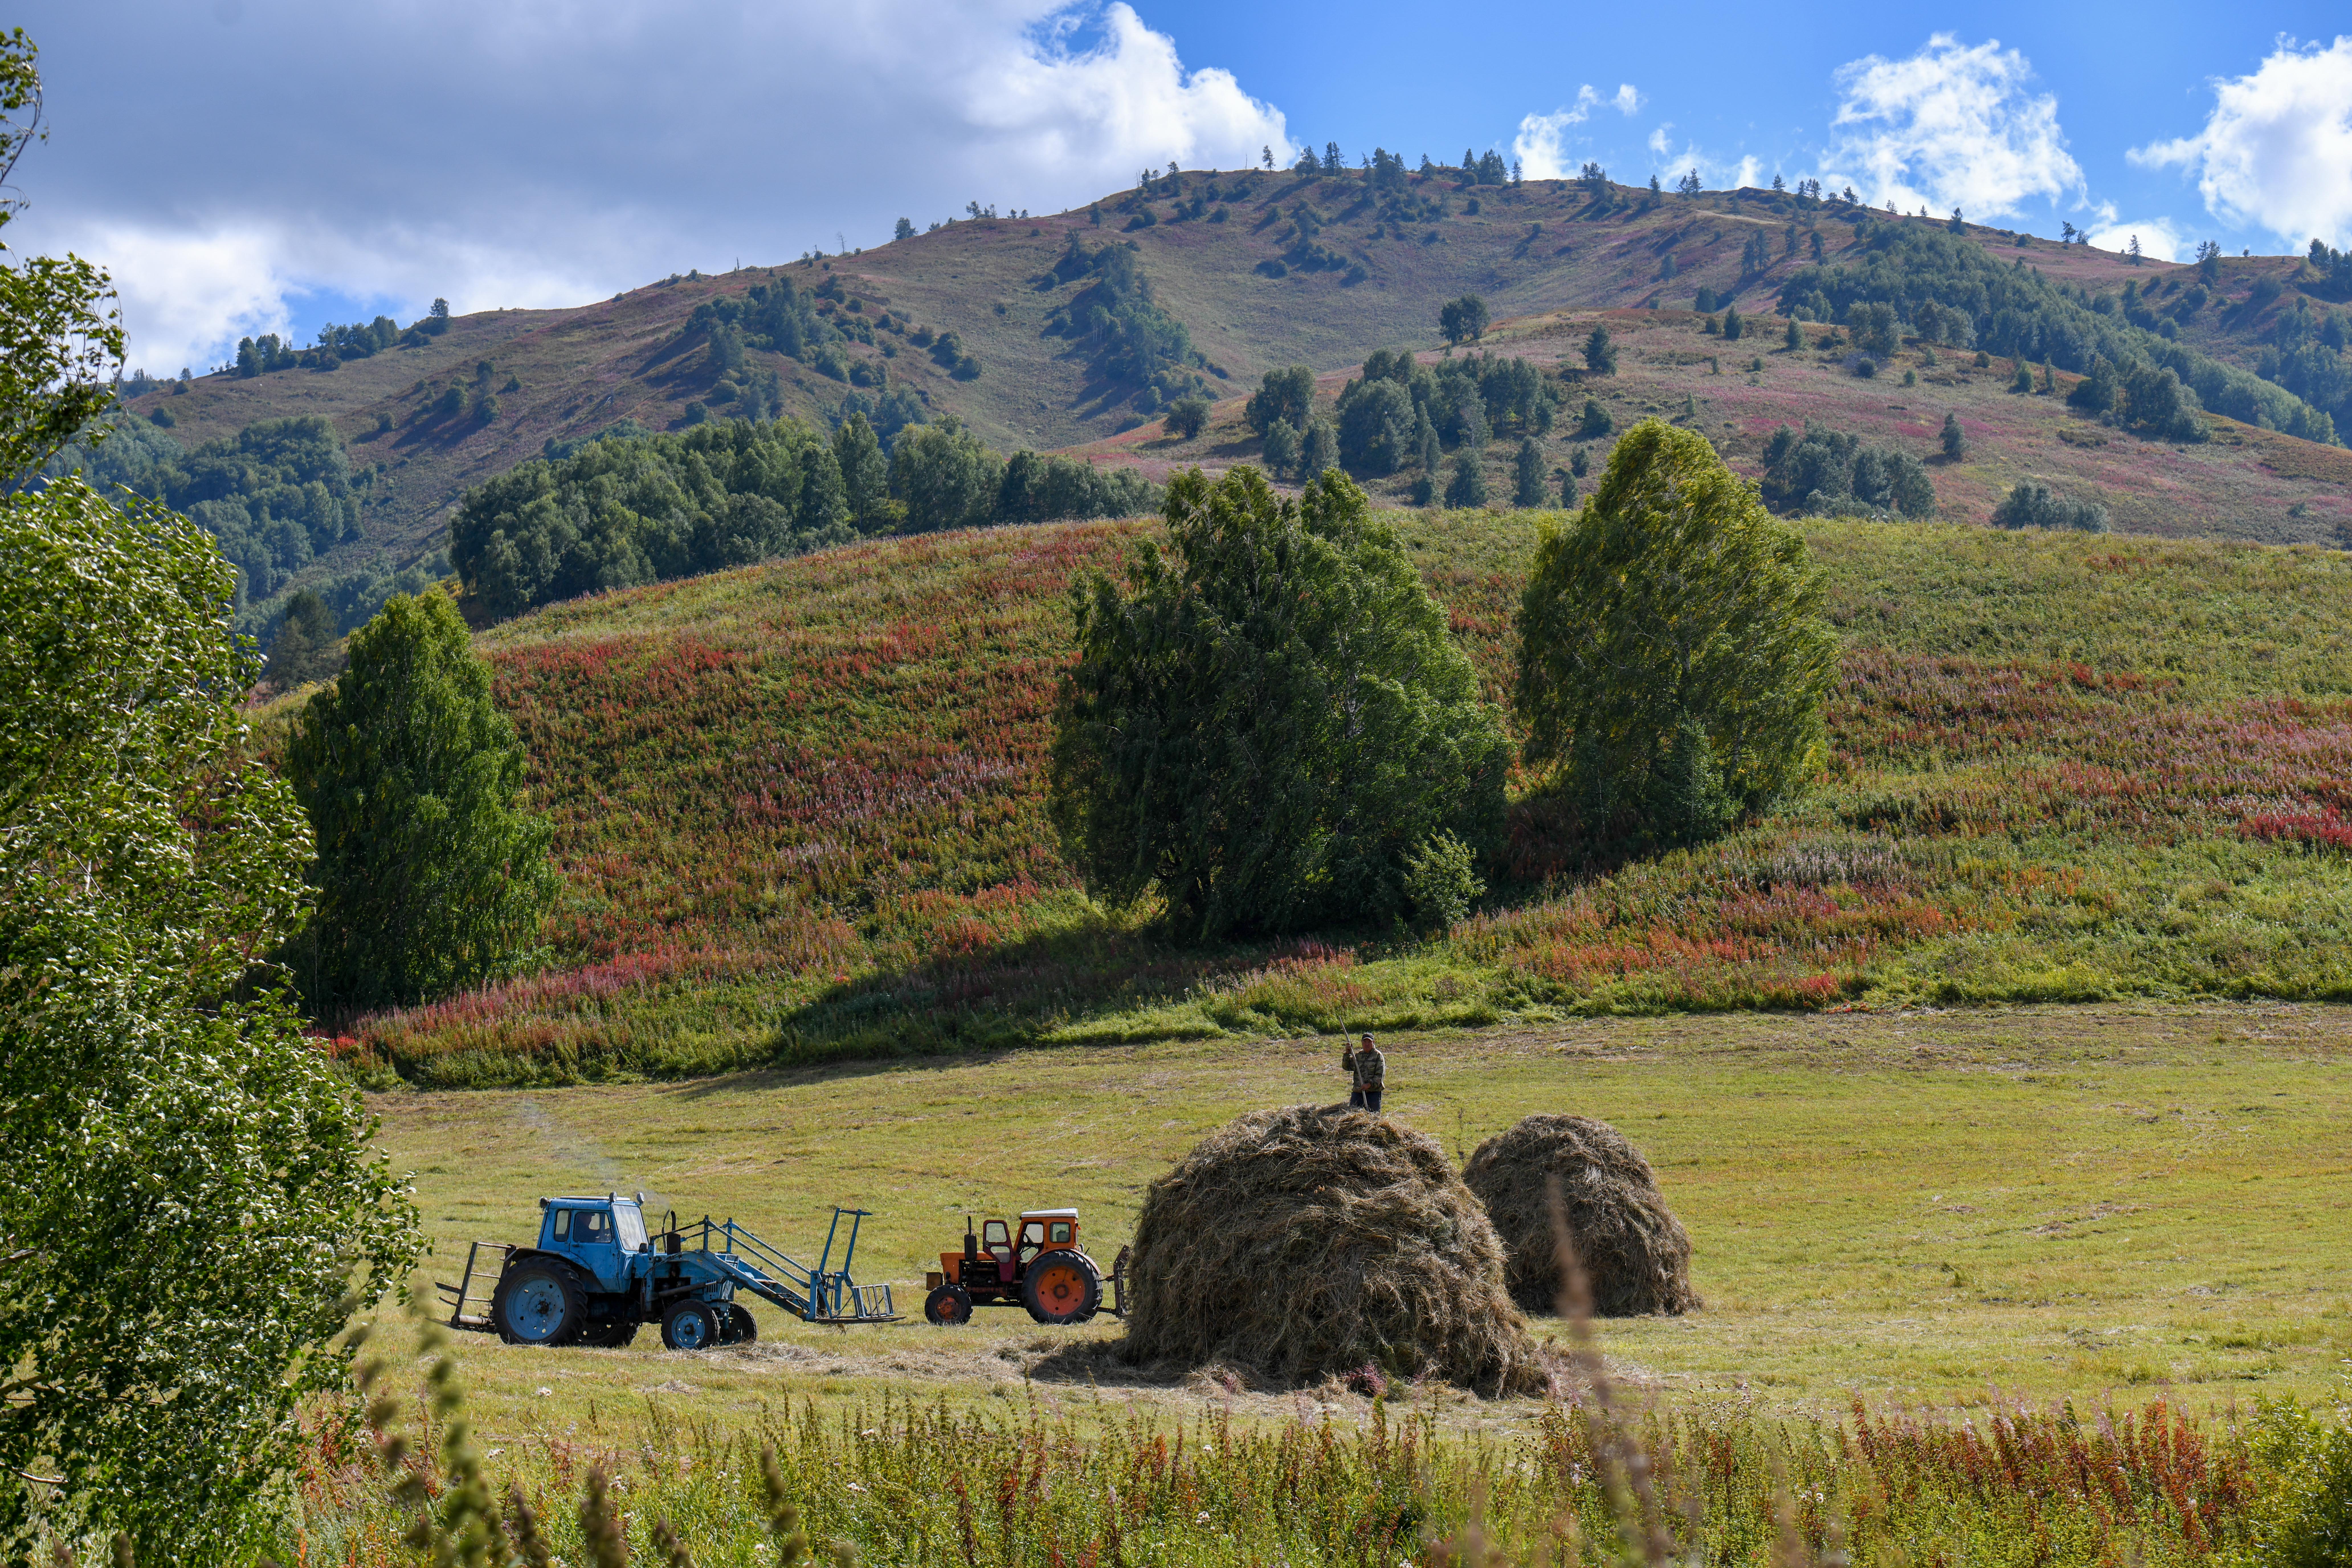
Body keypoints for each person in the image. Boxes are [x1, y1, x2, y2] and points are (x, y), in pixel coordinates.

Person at [1341, 1032, 1385, 1114]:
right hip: (1358, 1093)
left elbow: (1380, 1076)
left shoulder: (1378, 1056)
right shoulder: (1358, 1056)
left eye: (1369, 1042)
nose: (1367, 1044)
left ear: (1374, 1042)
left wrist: (1368, 1085)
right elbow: (1347, 1067)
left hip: (1373, 1094)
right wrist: (1348, 1053)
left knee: (1374, 1118)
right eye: (1365, 1042)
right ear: (1362, 1043)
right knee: (1353, 1117)